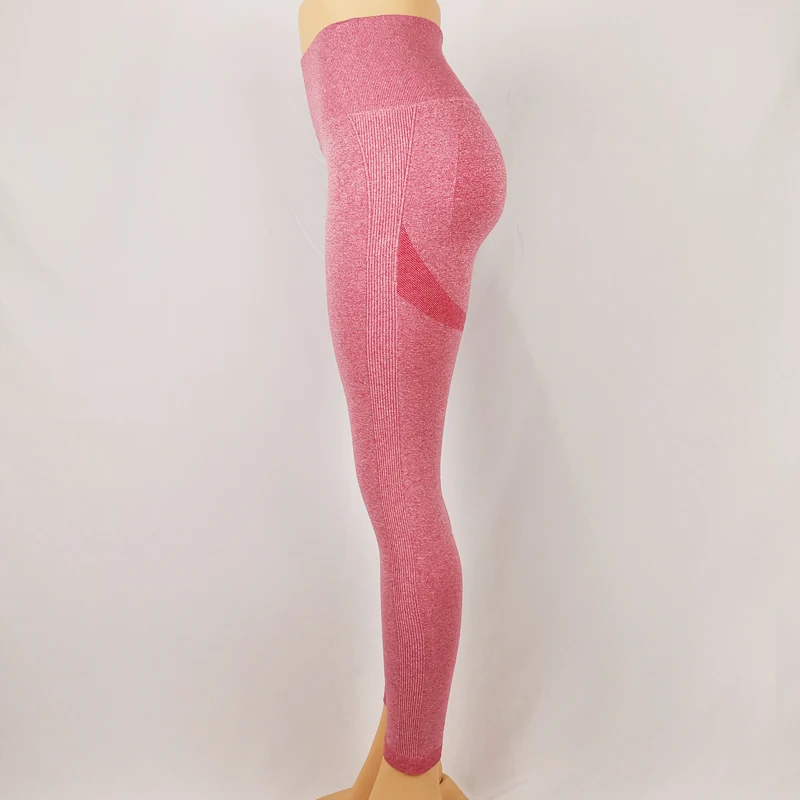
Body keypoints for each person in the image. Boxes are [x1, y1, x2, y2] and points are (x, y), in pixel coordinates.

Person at [298, 3, 507, 798]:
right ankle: (393, 770)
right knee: (402, 482)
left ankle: (415, 784)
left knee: (400, 489)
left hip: (393, 149)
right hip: (421, 133)